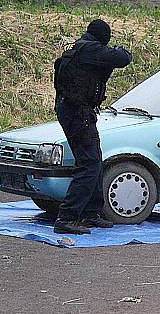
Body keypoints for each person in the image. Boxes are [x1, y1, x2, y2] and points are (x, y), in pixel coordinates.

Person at [53, 19, 132, 235]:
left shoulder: (78, 49)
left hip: (74, 111)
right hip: (78, 114)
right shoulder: (91, 50)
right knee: (89, 165)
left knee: (95, 161)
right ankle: (67, 217)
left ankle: (91, 212)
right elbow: (122, 58)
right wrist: (120, 49)